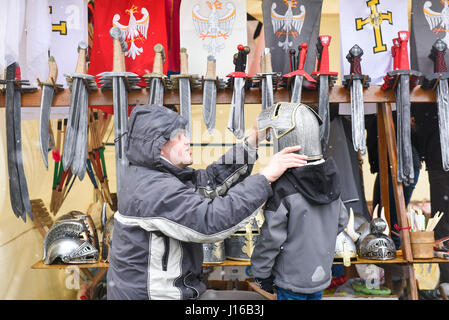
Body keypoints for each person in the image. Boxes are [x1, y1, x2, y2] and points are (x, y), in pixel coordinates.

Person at [106, 104, 308, 300]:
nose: (187, 141)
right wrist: (265, 178)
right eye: (179, 136)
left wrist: (253, 141)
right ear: (158, 145)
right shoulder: (153, 190)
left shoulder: (157, 176)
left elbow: (209, 182)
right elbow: (210, 222)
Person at [250, 102, 349, 300]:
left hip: (290, 280)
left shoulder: (283, 187)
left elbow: (271, 237)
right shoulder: (329, 177)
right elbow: (341, 221)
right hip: (319, 276)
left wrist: (261, 273)